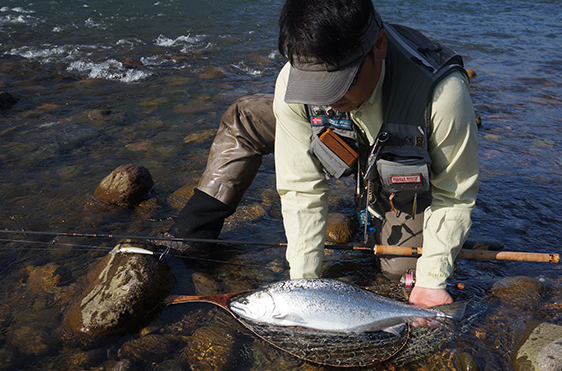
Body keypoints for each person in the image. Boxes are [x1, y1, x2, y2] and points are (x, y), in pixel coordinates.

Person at [163, 0, 479, 308]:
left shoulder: (441, 93)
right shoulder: (292, 84)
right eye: (314, 85)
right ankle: (192, 236)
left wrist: (432, 279)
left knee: (400, 270)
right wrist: (303, 284)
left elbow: (454, 196)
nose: (326, 100)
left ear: (379, 46)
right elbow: (301, 189)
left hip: (403, 152)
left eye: (338, 82)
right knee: (245, 118)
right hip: (337, 139)